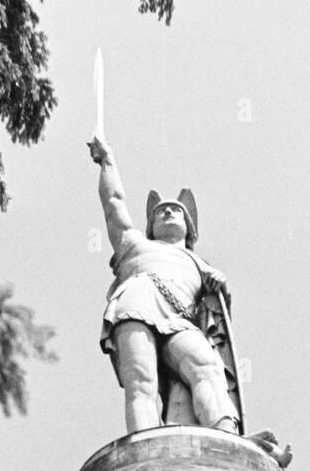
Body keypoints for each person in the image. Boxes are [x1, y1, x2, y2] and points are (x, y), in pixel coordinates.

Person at [88, 137, 242, 435]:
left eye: (175, 210)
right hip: (136, 304)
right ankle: (143, 441)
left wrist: (219, 287)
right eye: (160, 211)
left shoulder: (201, 264)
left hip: (181, 320)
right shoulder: (133, 244)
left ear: (189, 226)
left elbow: (219, 319)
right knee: (141, 381)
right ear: (151, 225)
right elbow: (113, 204)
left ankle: (227, 435)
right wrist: (107, 161)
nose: (168, 212)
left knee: (208, 369)